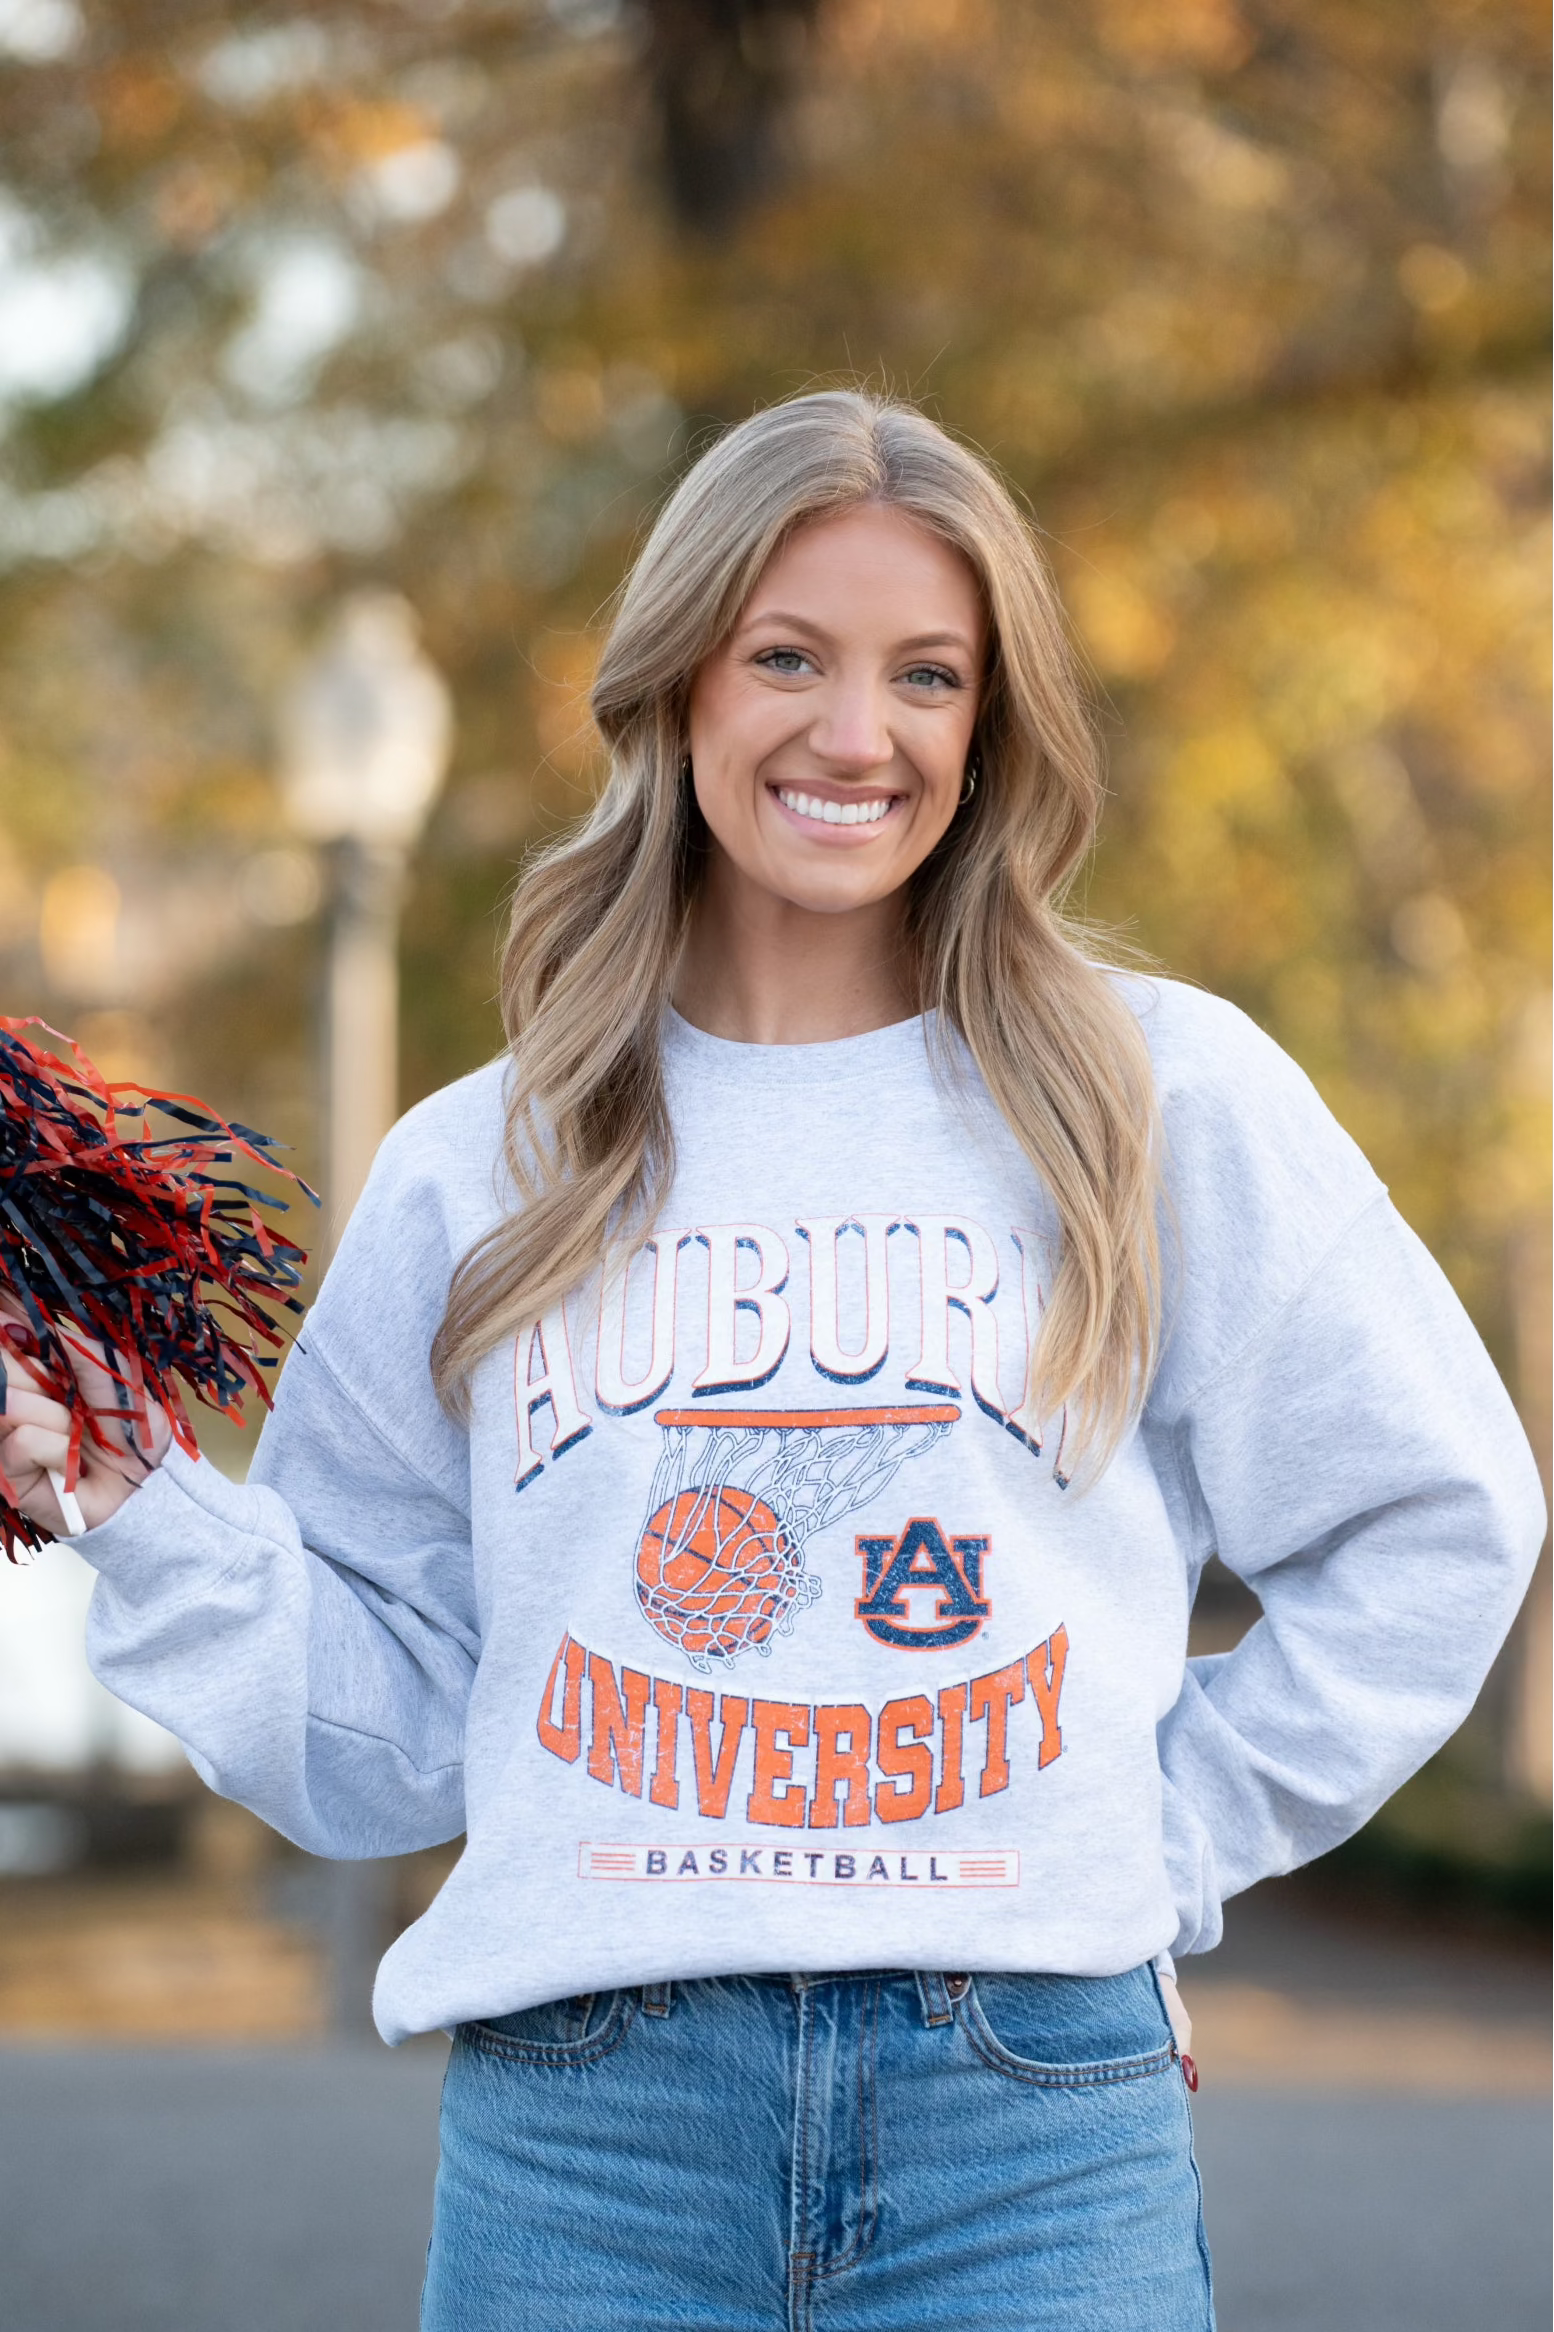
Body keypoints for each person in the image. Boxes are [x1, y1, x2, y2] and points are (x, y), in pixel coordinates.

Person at [1, 390, 1543, 2332]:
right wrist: (132, 1507)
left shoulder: (1158, 1096)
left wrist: (1148, 1842)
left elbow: (1440, 1518)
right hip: (591, 2131)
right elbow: (389, 1739)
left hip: (1028, 2122)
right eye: (787, 655)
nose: (854, 730)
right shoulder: (484, 1160)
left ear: (990, 725)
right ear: (676, 688)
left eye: (927, 673)